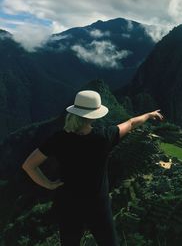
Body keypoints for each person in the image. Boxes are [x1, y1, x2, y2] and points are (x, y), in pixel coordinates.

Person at [22, 90, 164, 245]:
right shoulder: (103, 137)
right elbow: (131, 123)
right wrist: (149, 115)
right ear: (94, 115)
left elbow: (29, 165)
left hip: (69, 205)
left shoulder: (58, 139)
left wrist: (49, 184)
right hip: (98, 206)